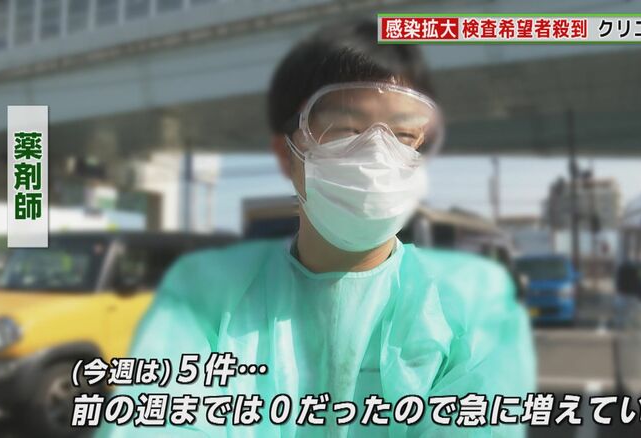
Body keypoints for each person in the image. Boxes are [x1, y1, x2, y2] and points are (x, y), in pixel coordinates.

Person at [97, 19, 535, 438]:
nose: (376, 156)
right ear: (287, 154)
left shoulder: (471, 303)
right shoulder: (204, 296)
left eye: (403, 135)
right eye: (345, 129)